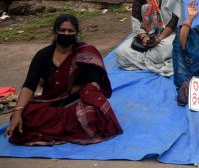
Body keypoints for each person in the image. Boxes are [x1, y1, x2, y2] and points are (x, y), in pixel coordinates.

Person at [4, 14, 122, 145]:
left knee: (93, 113)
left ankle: (52, 129)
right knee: (26, 115)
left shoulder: (85, 53)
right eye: (63, 30)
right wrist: (17, 111)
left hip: (78, 102)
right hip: (52, 101)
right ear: (54, 32)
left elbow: (95, 84)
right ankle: (66, 128)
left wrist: (71, 91)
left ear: (77, 33)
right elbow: (29, 85)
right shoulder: (43, 55)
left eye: (71, 31)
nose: (66, 34)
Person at [116, 0, 183, 77]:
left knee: (171, 46)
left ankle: (144, 61)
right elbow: (135, 20)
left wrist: (159, 39)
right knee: (120, 52)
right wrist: (144, 37)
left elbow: (174, 22)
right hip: (147, 36)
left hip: (167, 36)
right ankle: (157, 63)